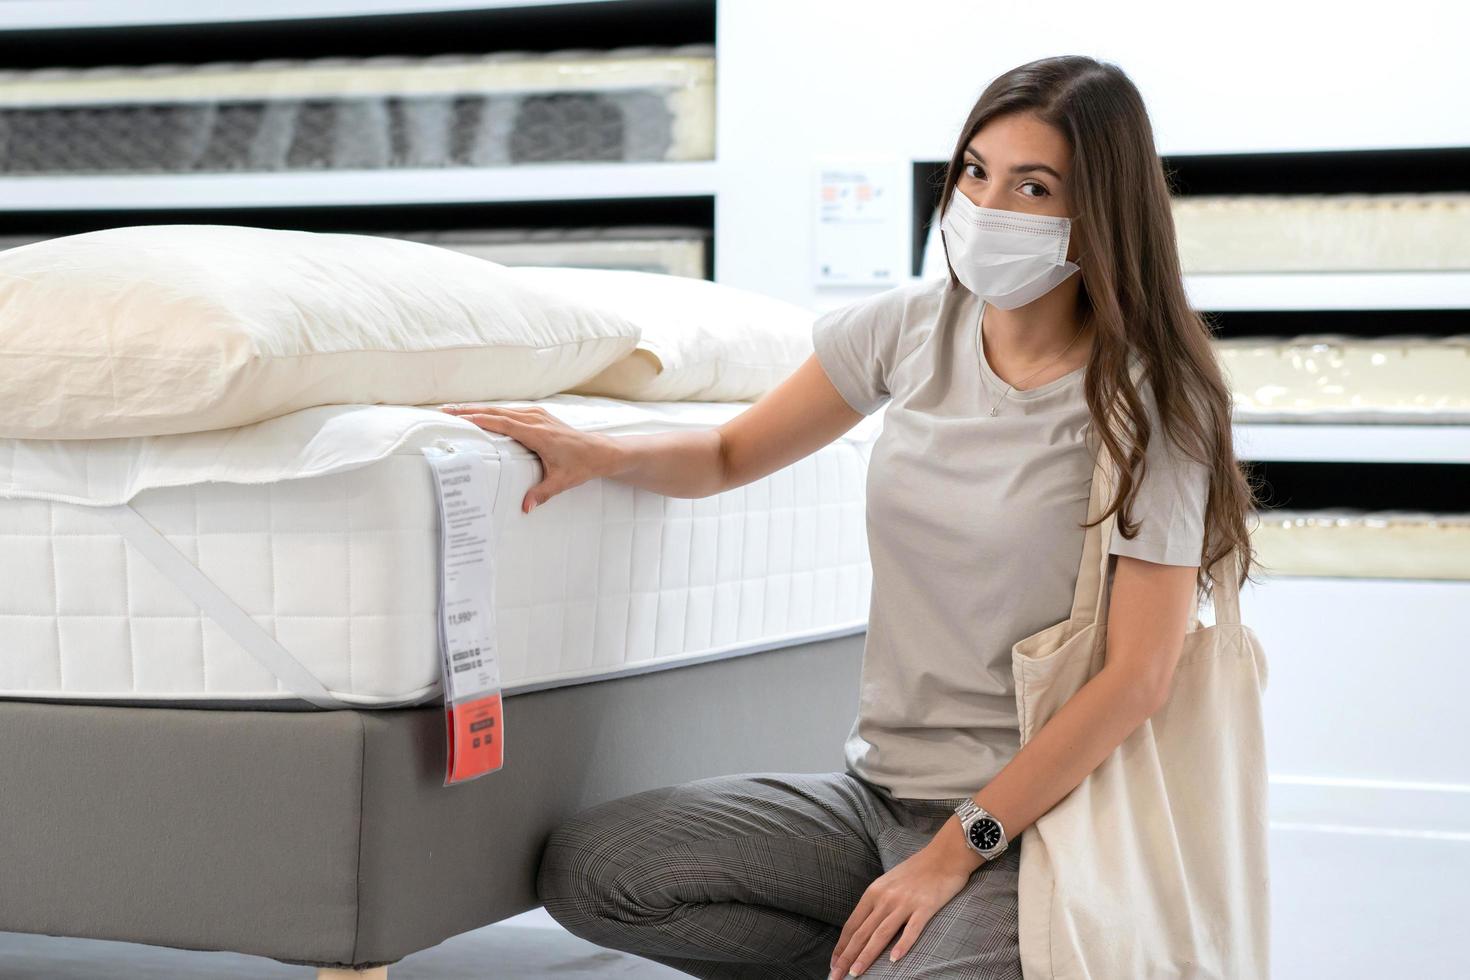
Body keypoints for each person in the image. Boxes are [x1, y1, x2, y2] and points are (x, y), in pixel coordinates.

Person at [441, 54, 1259, 980]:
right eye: (975, 172)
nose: (987, 207)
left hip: (1035, 825)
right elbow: (727, 453)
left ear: (1100, 212)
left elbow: (1138, 680)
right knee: (597, 874)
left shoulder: (1154, 403)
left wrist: (956, 851)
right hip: (876, 799)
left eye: (1033, 186)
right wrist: (601, 449)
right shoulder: (911, 327)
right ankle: (888, 955)